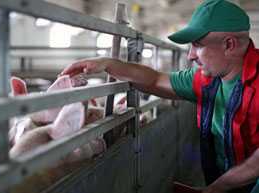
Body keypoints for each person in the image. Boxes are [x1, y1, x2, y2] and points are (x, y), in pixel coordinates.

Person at [60, 0, 259, 192]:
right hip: (229, 181)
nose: (190, 55)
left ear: (229, 45)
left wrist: (218, 188)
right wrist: (106, 64)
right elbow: (154, 80)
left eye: (198, 45)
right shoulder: (207, 80)